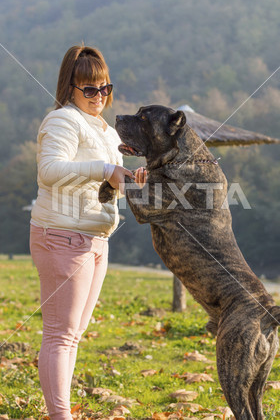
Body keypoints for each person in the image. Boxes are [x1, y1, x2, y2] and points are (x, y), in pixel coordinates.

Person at [29, 45, 147, 419]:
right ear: (70, 88)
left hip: (96, 238)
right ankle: (59, 416)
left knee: (72, 335)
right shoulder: (63, 120)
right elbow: (49, 170)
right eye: (90, 89)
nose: (99, 97)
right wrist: (103, 169)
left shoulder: (107, 131)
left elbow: (113, 182)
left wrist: (132, 179)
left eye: (104, 88)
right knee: (60, 336)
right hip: (61, 235)